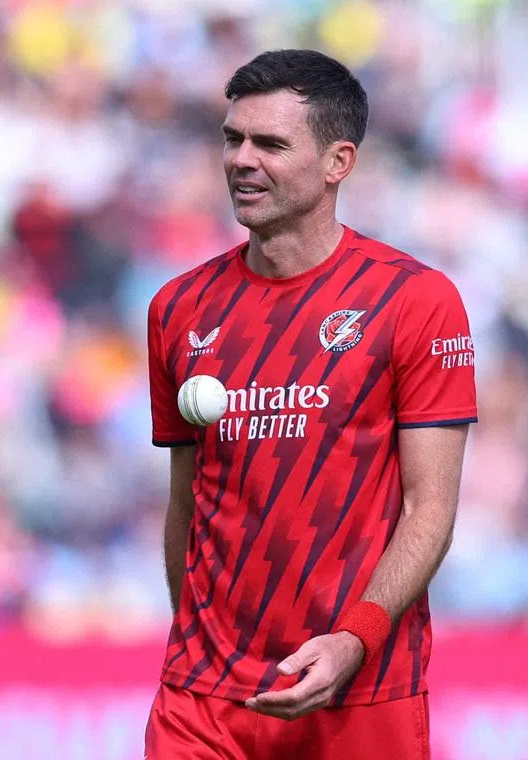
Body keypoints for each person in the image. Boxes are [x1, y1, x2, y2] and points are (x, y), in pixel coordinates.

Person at [144, 49, 476, 760]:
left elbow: (431, 510)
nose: (240, 159)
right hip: (204, 700)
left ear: (338, 162)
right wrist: (197, 642)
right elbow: (186, 502)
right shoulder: (178, 309)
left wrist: (354, 640)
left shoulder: (414, 301)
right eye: (232, 139)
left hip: (361, 691)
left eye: (270, 143)